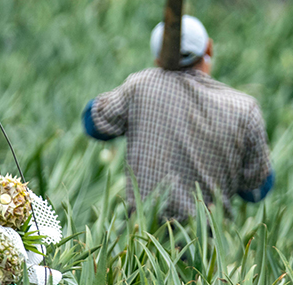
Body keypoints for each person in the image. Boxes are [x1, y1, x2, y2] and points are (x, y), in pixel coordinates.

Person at [82, 15, 274, 223]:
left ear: (158, 59)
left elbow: (94, 124)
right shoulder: (244, 109)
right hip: (206, 245)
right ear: (208, 49)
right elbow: (256, 190)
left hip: (140, 240)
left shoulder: (141, 86)